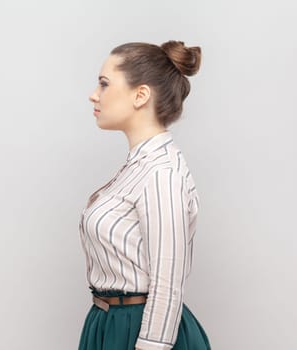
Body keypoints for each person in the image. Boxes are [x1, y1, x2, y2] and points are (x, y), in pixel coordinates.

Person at [78, 40, 211, 350]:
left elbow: (167, 284)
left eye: (105, 84)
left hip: (140, 330)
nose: (94, 94)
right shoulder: (138, 167)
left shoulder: (162, 173)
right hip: (107, 323)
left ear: (140, 95)